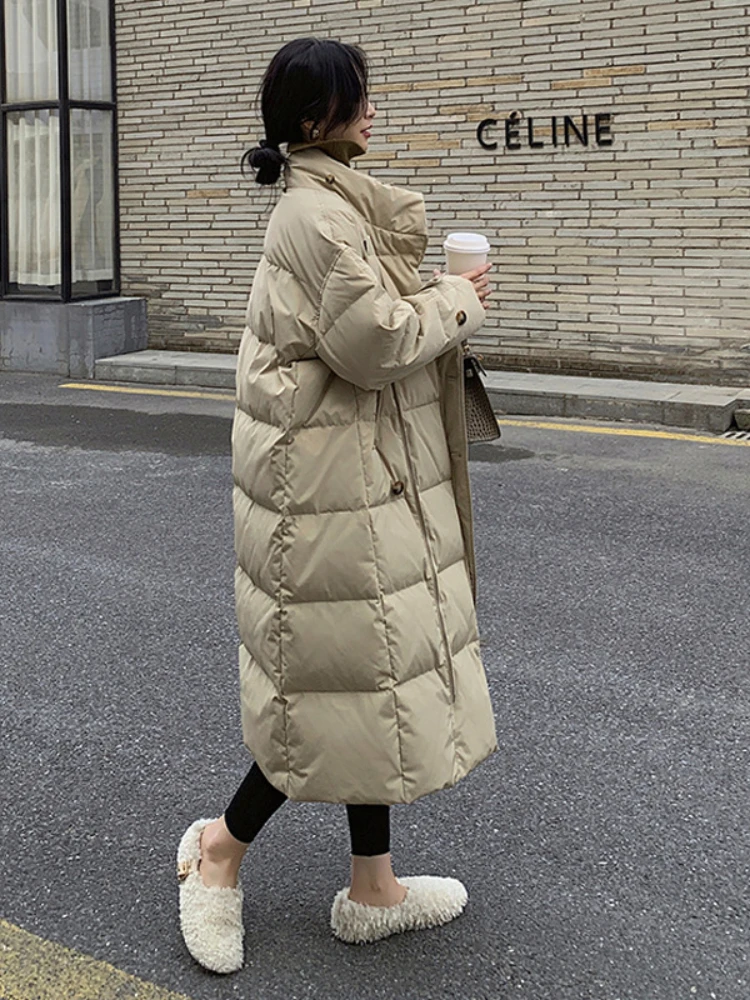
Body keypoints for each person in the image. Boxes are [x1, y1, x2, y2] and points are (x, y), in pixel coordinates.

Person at [176, 36, 497, 974]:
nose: (372, 109)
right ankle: (218, 857)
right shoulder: (314, 218)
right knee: (324, 688)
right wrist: (457, 296)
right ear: (314, 119)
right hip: (321, 491)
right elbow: (371, 342)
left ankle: (374, 891)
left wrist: (433, 293)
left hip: (352, 476)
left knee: (371, 679)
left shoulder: (329, 205)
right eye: (358, 98)